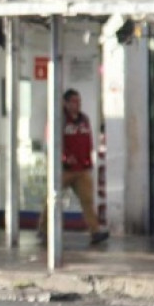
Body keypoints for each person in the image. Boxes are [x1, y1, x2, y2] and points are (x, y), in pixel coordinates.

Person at [37, 88, 109, 246]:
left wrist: (88, 159)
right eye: (74, 101)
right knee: (53, 199)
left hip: (81, 168)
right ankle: (44, 229)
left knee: (87, 200)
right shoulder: (58, 119)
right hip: (64, 169)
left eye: (79, 101)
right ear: (66, 103)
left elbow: (88, 140)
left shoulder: (84, 120)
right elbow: (52, 143)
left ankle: (95, 231)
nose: (77, 105)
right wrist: (63, 158)